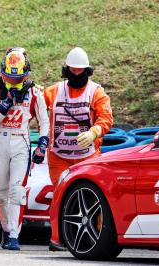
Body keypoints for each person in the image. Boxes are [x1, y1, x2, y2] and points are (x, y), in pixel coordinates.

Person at [44, 47, 113, 251]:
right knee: (60, 196)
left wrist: (94, 132)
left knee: (92, 198)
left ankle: (93, 240)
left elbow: (106, 117)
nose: (76, 74)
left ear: (87, 71)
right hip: (59, 156)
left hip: (88, 157)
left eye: (79, 71)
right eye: (72, 70)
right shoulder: (53, 91)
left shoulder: (96, 92)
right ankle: (56, 239)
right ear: (66, 70)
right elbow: (35, 106)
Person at [0, 47, 50, 250]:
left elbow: (44, 121)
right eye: (9, 77)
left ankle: (14, 235)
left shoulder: (35, 91)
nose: (13, 82)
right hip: (0, 140)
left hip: (21, 141)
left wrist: (42, 144)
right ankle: (5, 229)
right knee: (0, 192)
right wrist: (4, 106)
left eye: (18, 78)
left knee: (17, 190)